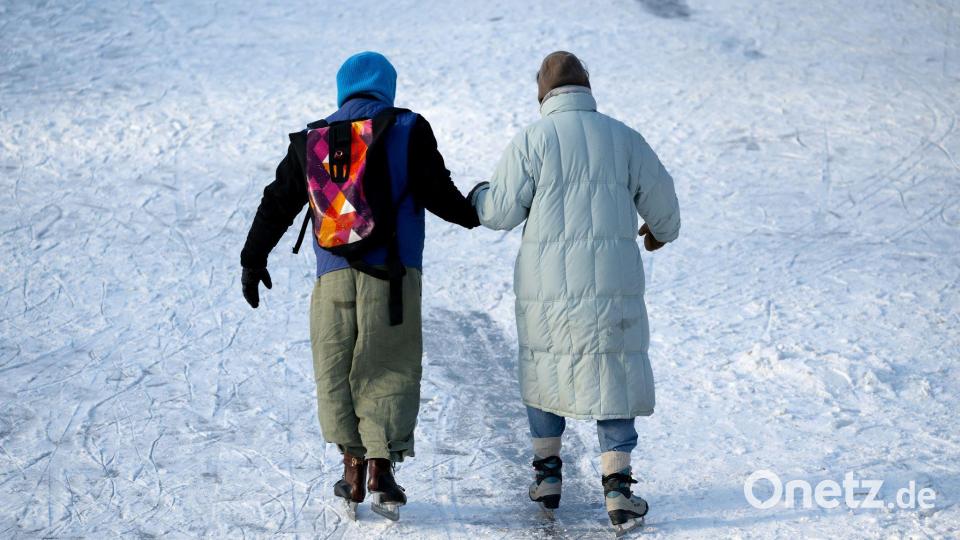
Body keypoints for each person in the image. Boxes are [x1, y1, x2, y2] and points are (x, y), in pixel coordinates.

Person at [240, 51, 479, 521]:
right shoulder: (407, 127)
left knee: (336, 369)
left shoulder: (315, 139)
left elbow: (278, 200)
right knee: (388, 366)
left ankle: (351, 470)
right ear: (387, 86)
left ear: (342, 88)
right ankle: (381, 472)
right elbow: (439, 192)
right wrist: (475, 212)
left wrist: (253, 259)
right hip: (394, 274)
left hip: (332, 277)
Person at [469, 51, 681, 535]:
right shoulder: (624, 138)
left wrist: (479, 194)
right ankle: (618, 489)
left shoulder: (532, 140)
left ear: (543, 94)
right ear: (587, 88)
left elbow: (499, 212)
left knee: (546, 362)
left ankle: (546, 477)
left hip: (546, 286)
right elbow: (664, 203)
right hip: (612, 281)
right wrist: (659, 232)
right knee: (613, 369)